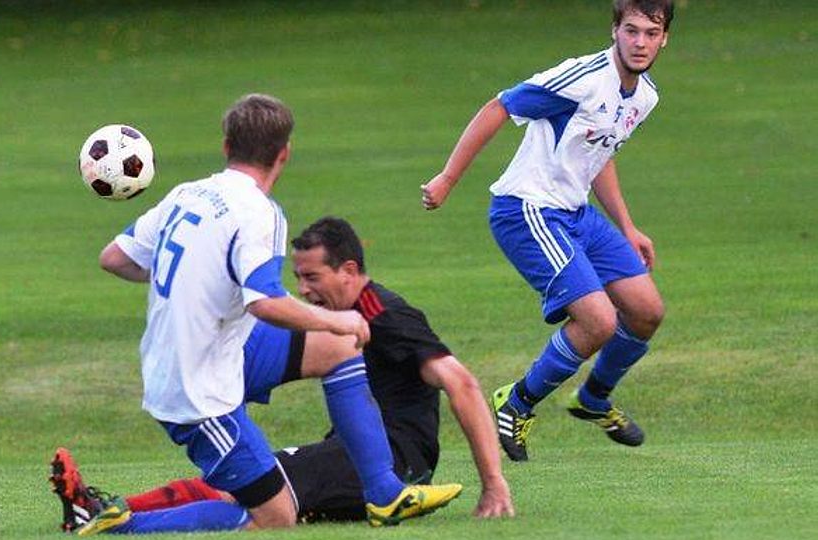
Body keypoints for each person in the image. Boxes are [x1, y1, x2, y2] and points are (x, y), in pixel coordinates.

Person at [73, 94, 460, 535]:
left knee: (336, 349)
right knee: (275, 517)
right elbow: (265, 303)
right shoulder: (258, 212)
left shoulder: (188, 193)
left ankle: (385, 494)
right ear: (284, 154)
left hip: (221, 349)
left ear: (225, 146)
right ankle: (123, 526)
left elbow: (114, 258)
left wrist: (193, 278)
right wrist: (341, 318)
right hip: (196, 388)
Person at [50, 217, 513, 533]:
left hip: (397, 458)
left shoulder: (385, 315)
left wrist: (493, 484)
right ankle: (106, 508)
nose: (305, 291)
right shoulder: (335, 320)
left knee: (263, 505)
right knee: (245, 480)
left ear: (349, 270)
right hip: (345, 452)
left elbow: (463, 384)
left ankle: (119, 524)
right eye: (299, 278)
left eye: (313, 278)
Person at [420, 0, 673, 462]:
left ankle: (594, 399)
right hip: (527, 209)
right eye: (631, 30)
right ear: (615, 29)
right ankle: (515, 403)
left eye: (650, 34)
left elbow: (597, 154)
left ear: (663, 38)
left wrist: (628, 226)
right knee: (598, 320)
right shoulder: (582, 77)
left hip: (576, 214)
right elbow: (500, 105)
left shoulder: (644, 96)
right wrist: (448, 177)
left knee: (646, 311)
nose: (640, 43)